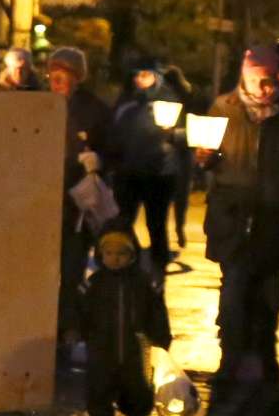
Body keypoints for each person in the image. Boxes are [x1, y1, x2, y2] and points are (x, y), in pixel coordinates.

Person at [200, 46, 279, 385]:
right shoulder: (224, 107)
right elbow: (209, 155)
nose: (264, 89)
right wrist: (206, 158)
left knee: (267, 292)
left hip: (273, 216)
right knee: (233, 290)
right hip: (232, 215)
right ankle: (230, 358)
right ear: (245, 78)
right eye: (257, 80)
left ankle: (266, 357)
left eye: (269, 81)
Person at [80, 222, 171, 416]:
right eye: (109, 253)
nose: (115, 258)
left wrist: (161, 337)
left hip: (136, 345)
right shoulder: (94, 284)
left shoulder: (143, 283)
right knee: (100, 382)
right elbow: (83, 310)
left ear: (132, 255)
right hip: (102, 345)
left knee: (137, 382)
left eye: (121, 253)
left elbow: (156, 311)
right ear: (101, 255)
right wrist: (76, 330)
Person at [47, 46, 112, 355]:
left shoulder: (94, 110)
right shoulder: (39, 106)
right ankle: (46, 325)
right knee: (44, 269)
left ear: (77, 77)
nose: (56, 82)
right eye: (53, 75)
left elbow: (115, 150)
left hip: (76, 205)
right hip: (44, 201)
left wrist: (98, 159)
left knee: (71, 270)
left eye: (64, 76)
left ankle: (67, 327)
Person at [109, 59, 183, 272]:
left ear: (156, 76)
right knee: (124, 222)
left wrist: (172, 133)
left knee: (156, 225)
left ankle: (158, 271)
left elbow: (192, 133)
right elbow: (114, 132)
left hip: (160, 173)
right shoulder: (126, 101)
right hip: (129, 171)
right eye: (137, 75)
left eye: (145, 74)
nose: (140, 79)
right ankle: (123, 266)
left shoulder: (169, 100)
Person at [159, 64, 200, 250]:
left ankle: (166, 233)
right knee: (180, 194)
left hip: (172, 150)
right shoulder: (190, 97)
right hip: (184, 150)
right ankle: (179, 229)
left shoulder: (164, 100)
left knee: (165, 195)